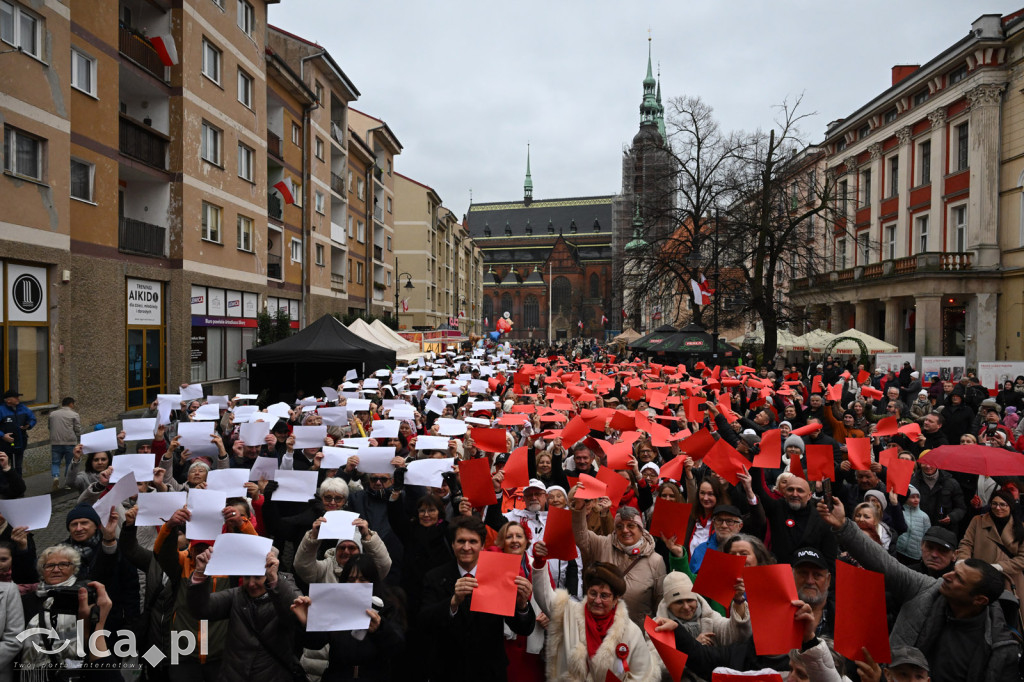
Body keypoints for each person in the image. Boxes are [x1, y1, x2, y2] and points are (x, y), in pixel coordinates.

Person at [817, 496, 1020, 681]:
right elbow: (884, 563)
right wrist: (843, 526)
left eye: (959, 579)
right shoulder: (926, 588)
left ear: (979, 600)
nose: (947, 576)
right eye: (954, 571)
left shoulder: (998, 648)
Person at [419, 515, 535, 682]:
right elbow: (424, 621)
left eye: (473, 542)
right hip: (448, 671)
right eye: (461, 541)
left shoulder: (499, 574)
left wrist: (522, 605)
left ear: (482, 546)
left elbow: (523, 628)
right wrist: (452, 603)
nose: (466, 547)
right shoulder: (435, 576)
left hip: (489, 671)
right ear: (452, 544)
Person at [530, 544, 658, 682]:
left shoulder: (631, 632)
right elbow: (544, 596)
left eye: (604, 596)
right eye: (593, 593)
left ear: (616, 599)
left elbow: (643, 676)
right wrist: (539, 563)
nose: (597, 600)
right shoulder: (569, 613)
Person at [187, 547, 303, 682]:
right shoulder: (237, 595)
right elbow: (200, 609)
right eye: (247, 577)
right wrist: (200, 574)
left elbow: (294, 616)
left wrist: (275, 582)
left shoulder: (285, 589)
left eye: (258, 577)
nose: (251, 584)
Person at [572, 500, 666, 626]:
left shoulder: (656, 560)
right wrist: (579, 509)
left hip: (637, 631)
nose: (625, 530)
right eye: (619, 526)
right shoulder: (603, 544)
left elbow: (660, 602)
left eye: (631, 526)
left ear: (641, 529)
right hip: (600, 628)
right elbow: (581, 536)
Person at [956, 488, 1024, 599]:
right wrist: (962, 560)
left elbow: (1022, 558)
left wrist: (999, 566)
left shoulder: (1021, 528)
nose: (998, 508)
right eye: (994, 504)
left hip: (1010, 580)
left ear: (1010, 506)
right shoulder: (977, 521)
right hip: (981, 577)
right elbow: (966, 543)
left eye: (1003, 505)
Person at [654, 570, 750, 646]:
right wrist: (693, 645)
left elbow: (733, 634)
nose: (686, 607)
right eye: (679, 602)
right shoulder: (657, 627)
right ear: (669, 605)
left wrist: (738, 600)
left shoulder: (710, 616)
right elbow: (658, 661)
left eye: (690, 600)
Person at [0, 390, 35, 476]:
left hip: (20, 443)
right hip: (5, 445)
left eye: (18, 397)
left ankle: (18, 485)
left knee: (18, 466)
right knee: (4, 467)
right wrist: (3, 436)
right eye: (15, 397)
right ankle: (5, 487)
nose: (18, 399)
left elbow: (32, 419)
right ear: (8, 400)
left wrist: (28, 425)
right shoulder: (1, 410)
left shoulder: (23, 408)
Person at [48, 397, 80, 490]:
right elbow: (77, 428)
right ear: (70, 404)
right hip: (69, 441)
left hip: (55, 442)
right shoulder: (74, 414)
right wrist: (78, 436)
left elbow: (50, 426)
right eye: (73, 404)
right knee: (69, 463)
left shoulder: (52, 414)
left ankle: (56, 477)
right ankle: (67, 482)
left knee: (55, 462)